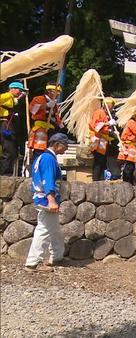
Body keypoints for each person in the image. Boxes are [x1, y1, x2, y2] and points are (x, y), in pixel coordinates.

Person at [24, 133, 69, 272]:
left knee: (54, 228)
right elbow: (48, 180)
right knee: (43, 229)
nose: (66, 148)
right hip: (46, 198)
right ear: (56, 145)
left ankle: (57, 255)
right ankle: (32, 262)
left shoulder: (41, 157)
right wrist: (51, 199)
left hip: (41, 196)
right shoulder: (49, 159)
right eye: (65, 145)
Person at [28, 82, 64, 160]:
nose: (58, 94)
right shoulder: (38, 99)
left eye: (59, 92)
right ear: (49, 91)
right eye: (56, 91)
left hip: (52, 128)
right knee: (40, 148)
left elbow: (56, 116)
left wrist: (60, 125)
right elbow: (33, 110)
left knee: (50, 149)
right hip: (40, 128)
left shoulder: (55, 104)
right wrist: (46, 105)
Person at [0, 82, 27, 175]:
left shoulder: (11, 98)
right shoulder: (7, 95)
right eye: (20, 90)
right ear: (12, 89)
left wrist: (20, 97)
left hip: (10, 124)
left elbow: (13, 102)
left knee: (13, 150)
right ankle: (5, 173)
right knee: (9, 150)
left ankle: (11, 172)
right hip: (5, 124)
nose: (20, 92)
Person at [89, 98, 117, 181]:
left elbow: (105, 129)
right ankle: (96, 180)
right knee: (98, 161)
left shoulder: (106, 115)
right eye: (111, 106)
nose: (112, 108)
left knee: (103, 161)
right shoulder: (99, 112)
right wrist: (107, 123)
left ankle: (101, 179)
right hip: (97, 139)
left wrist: (111, 132)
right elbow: (95, 126)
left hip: (103, 140)